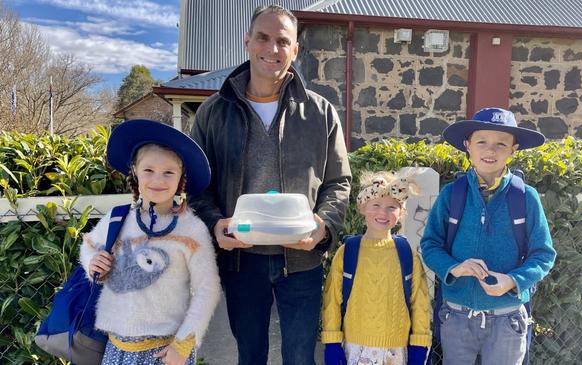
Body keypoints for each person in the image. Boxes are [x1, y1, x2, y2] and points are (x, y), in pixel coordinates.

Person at [188, 4, 351, 365]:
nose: (272, 49)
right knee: (250, 356)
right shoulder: (213, 112)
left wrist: (324, 226)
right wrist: (215, 223)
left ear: (295, 50)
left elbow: (339, 182)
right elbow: (196, 186)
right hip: (242, 261)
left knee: (300, 358)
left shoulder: (320, 112)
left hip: (302, 260)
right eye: (263, 37)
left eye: (283, 41)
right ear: (247, 41)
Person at [420, 107, 557, 365]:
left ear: (513, 149)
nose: (490, 151)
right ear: (468, 145)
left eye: (500, 144)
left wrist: (513, 281)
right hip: (457, 317)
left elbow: (544, 254)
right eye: (482, 142)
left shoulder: (526, 197)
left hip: (508, 319)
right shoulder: (452, 194)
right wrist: (454, 268)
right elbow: (430, 244)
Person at [80, 119, 220, 365]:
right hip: (117, 349)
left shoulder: (192, 230)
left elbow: (207, 289)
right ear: (134, 171)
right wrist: (94, 263)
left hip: (167, 352)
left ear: (181, 178)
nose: (158, 180)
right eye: (149, 170)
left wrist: (184, 343)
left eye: (169, 172)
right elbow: (89, 245)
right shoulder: (117, 219)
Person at [321, 171, 432, 365]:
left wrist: (419, 344)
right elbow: (332, 300)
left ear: (402, 212)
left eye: (392, 207)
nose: (383, 213)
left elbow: (420, 302)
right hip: (354, 349)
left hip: (396, 352)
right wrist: (331, 342)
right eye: (376, 205)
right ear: (363, 207)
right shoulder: (348, 252)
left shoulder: (407, 253)